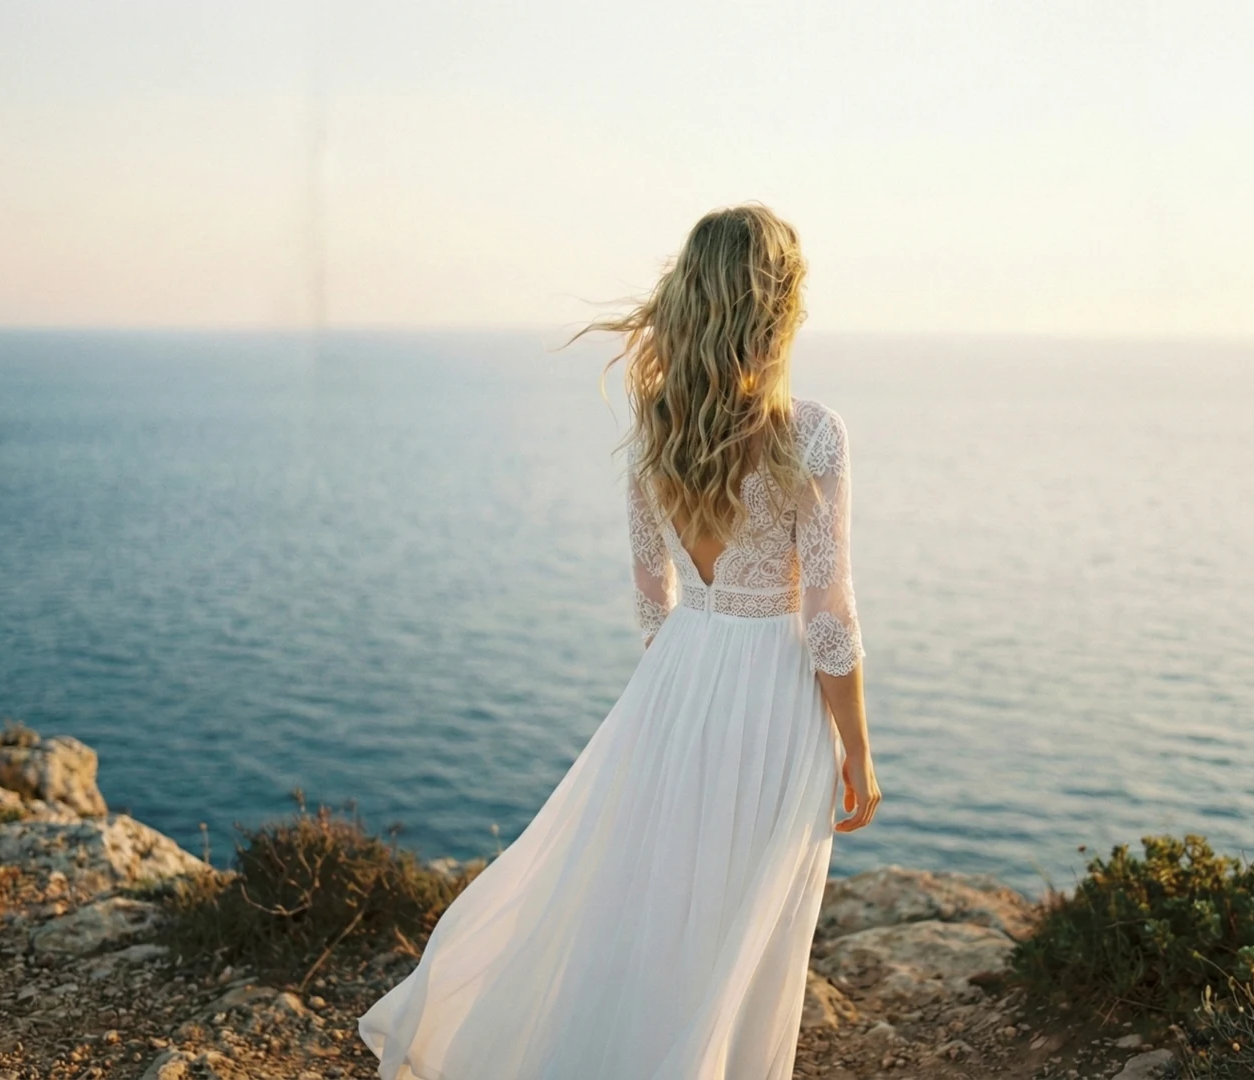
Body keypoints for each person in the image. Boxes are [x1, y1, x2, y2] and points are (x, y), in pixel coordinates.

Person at [358, 202, 880, 1079]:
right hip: (773, 689)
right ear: (779, 305)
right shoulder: (812, 432)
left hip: (679, 673)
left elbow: (653, 593)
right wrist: (859, 748)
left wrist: (677, 689)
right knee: (742, 918)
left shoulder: (658, 429)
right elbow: (829, 611)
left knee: (655, 896)